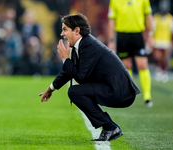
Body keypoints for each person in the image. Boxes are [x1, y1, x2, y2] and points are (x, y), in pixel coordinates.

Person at [39, 13, 140, 141]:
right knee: (76, 91)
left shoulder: (88, 46)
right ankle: (110, 126)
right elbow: (68, 72)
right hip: (115, 88)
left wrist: (65, 59)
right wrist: (51, 88)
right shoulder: (83, 44)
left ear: (77, 31)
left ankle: (110, 127)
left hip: (121, 92)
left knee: (75, 92)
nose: (62, 34)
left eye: (65, 29)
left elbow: (81, 77)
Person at [107, 0, 154, 107]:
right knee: (126, 66)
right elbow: (111, 20)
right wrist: (110, 40)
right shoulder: (114, 1)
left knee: (142, 64)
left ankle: (147, 97)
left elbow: (148, 16)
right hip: (122, 35)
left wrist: (151, 34)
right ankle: (128, 96)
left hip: (137, 35)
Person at [152, 1, 173, 82]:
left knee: (164, 58)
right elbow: (152, 30)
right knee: (158, 57)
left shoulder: (171, 18)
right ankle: (158, 70)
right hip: (157, 41)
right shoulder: (155, 17)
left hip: (166, 41)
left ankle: (163, 71)